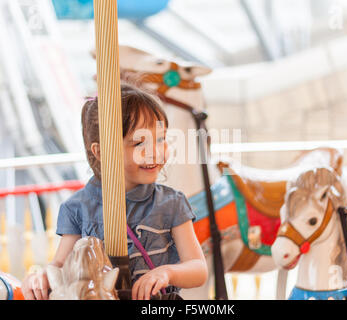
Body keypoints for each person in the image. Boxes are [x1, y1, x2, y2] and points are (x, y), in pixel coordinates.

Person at [21, 84, 208, 300]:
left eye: (161, 139)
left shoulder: (171, 203)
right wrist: (40, 277)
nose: (155, 152)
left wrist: (167, 272)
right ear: (100, 151)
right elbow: (61, 265)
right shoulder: (77, 208)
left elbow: (198, 268)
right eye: (139, 142)